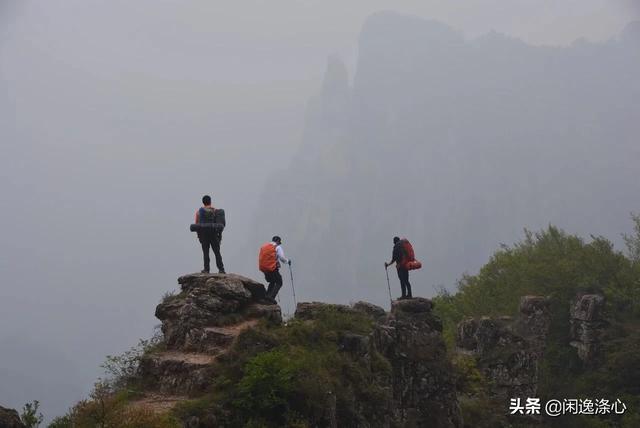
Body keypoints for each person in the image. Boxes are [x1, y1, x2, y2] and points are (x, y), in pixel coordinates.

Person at [195, 195, 225, 274]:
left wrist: (199, 236)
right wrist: (219, 235)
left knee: (205, 252)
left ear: (203, 202)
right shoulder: (215, 211)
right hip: (213, 233)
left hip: (204, 234)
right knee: (217, 252)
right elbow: (219, 222)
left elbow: (197, 224)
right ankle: (221, 269)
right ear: (210, 201)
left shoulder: (199, 212)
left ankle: (206, 269)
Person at [258, 236, 291, 303]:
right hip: (271, 268)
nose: (279, 244)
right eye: (279, 242)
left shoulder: (264, 246)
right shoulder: (277, 247)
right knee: (279, 282)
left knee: (272, 281)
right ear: (278, 241)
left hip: (264, 268)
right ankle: (271, 298)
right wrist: (287, 261)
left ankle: (266, 296)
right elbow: (282, 258)